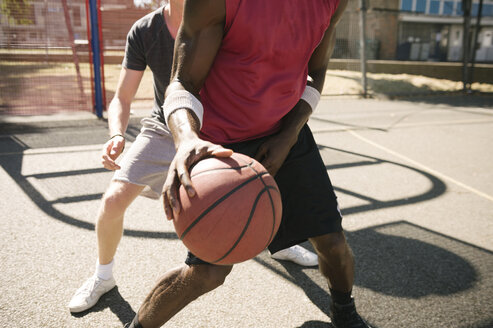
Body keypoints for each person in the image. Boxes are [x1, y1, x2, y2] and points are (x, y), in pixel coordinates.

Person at [126, 0, 372, 327]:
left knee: (333, 245)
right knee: (208, 272)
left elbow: (316, 73)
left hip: (285, 131)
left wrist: (289, 134)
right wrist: (186, 139)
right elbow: (182, 83)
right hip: (220, 144)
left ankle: (345, 311)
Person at [68, 0, 317, 314]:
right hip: (170, 123)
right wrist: (117, 134)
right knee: (113, 199)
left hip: (227, 119)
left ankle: (281, 242)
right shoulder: (146, 29)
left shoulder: (229, 14)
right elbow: (122, 96)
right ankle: (102, 276)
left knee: (262, 186)